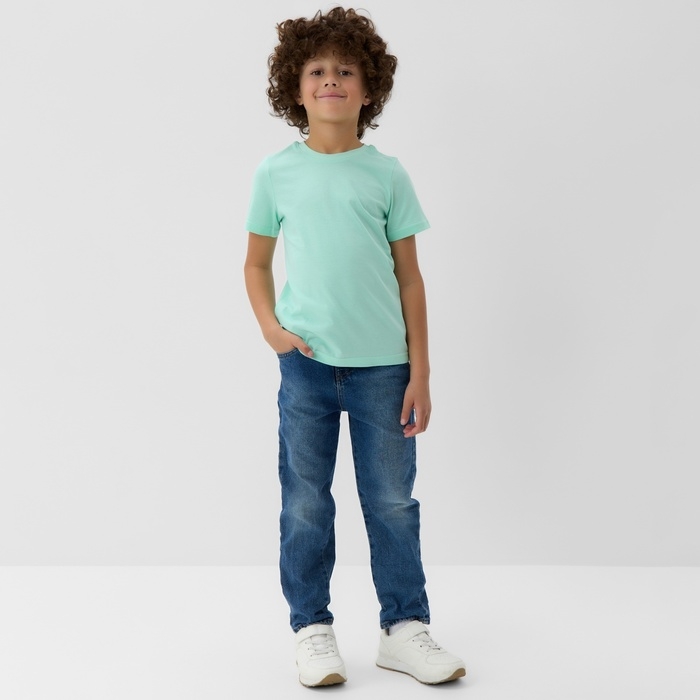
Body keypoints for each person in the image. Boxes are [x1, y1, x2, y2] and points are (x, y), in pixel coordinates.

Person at [243, 6, 466, 688]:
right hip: (306, 368)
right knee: (305, 502)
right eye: (316, 70)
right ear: (295, 87)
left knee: (392, 501)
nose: (331, 80)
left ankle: (403, 628)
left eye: (345, 70)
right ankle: (312, 629)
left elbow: (411, 278)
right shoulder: (276, 173)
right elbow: (256, 264)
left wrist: (421, 373)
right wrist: (272, 329)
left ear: (369, 90)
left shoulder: (387, 175)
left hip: (384, 372)